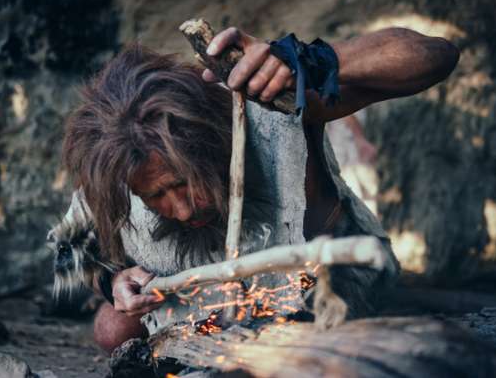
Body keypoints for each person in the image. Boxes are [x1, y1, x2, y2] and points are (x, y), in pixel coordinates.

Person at [61, 26, 459, 352]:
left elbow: (436, 56)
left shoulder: (270, 116)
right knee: (114, 328)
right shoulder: (116, 163)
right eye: (156, 196)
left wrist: (309, 61)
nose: (181, 210)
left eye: (183, 183)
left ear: (211, 141)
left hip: (316, 296)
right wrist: (111, 281)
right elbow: (71, 247)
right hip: (209, 310)